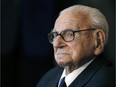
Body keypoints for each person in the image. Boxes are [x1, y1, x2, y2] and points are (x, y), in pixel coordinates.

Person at [36, 5, 115, 87]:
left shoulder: (107, 82)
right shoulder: (48, 78)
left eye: (69, 34)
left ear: (98, 40)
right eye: (55, 35)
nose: (56, 44)